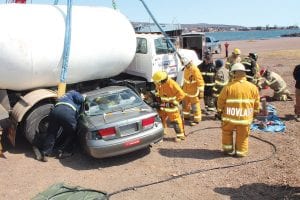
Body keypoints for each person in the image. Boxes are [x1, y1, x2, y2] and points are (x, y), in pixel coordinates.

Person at [217, 63, 260, 157]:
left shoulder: (228, 87)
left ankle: (228, 151)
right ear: (244, 73)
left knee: (227, 133)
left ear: (234, 73)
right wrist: (255, 112)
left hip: (229, 118)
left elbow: (220, 100)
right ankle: (241, 152)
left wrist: (219, 111)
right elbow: (257, 103)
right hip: (245, 119)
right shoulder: (253, 87)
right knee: (242, 136)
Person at [40, 90, 85, 162]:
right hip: (67, 112)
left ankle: (45, 153)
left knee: (51, 133)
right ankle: (65, 152)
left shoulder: (64, 96)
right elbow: (81, 99)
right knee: (73, 132)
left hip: (55, 111)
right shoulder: (74, 92)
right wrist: (84, 97)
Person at [152, 71, 186, 142]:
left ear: (162, 80)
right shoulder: (160, 84)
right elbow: (158, 92)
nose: (156, 83)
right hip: (163, 105)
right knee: (161, 119)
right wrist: (157, 99)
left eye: (157, 82)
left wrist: (174, 102)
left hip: (171, 108)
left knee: (175, 121)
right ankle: (163, 131)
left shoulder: (172, 84)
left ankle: (180, 135)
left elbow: (182, 94)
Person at [181, 56, 205, 126]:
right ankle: (186, 116)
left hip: (193, 91)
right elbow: (186, 80)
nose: (185, 66)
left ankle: (197, 119)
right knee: (185, 104)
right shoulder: (186, 68)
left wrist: (201, 91)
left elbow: (200, 80)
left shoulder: (195, 70)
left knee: (195, 106)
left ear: (189, 63)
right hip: (186, 90)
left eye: (186, 65)